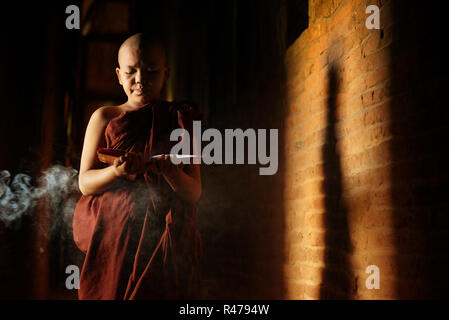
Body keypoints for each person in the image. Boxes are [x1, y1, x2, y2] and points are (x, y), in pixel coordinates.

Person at [73, 33, 203, 299]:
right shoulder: (104, 117)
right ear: (119, 75)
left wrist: (171, 172)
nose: (141, 80)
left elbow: (194, 192)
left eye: (152, 70)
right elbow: (84, 183)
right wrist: (116, 171)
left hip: (163, 239)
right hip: (114, 236)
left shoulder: (181, 119)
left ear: (166, 73)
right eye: (131, 72)